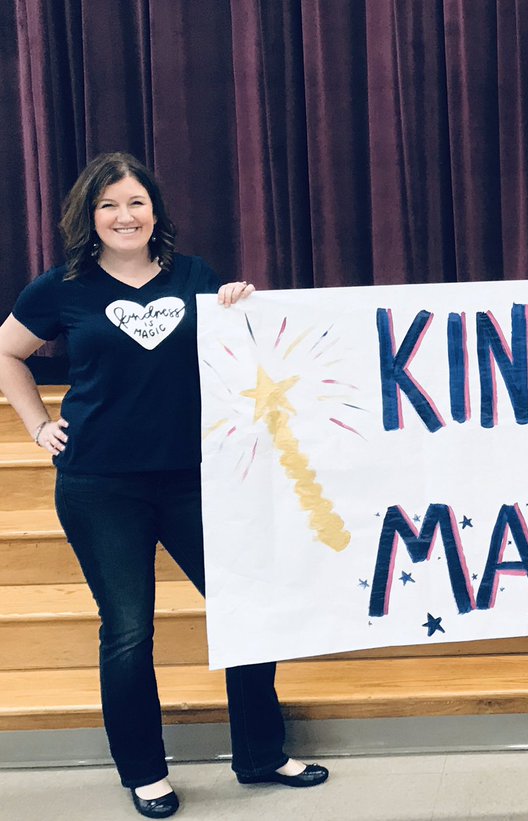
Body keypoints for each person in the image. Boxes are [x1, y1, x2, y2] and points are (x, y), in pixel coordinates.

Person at [0, 153, 328, 818]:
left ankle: (261, 755)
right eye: (108, 205)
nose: (124, 216)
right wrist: (37, 425)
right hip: (100, 484)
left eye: (135, 203)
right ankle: (145, 772)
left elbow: (248, 358)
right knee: (127, 630)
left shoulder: (195, 277)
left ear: (155, 212)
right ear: (89, 216)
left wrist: (240, 308)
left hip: (195, 479)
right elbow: (7, 351)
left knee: (249, 611)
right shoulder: (61, 287)